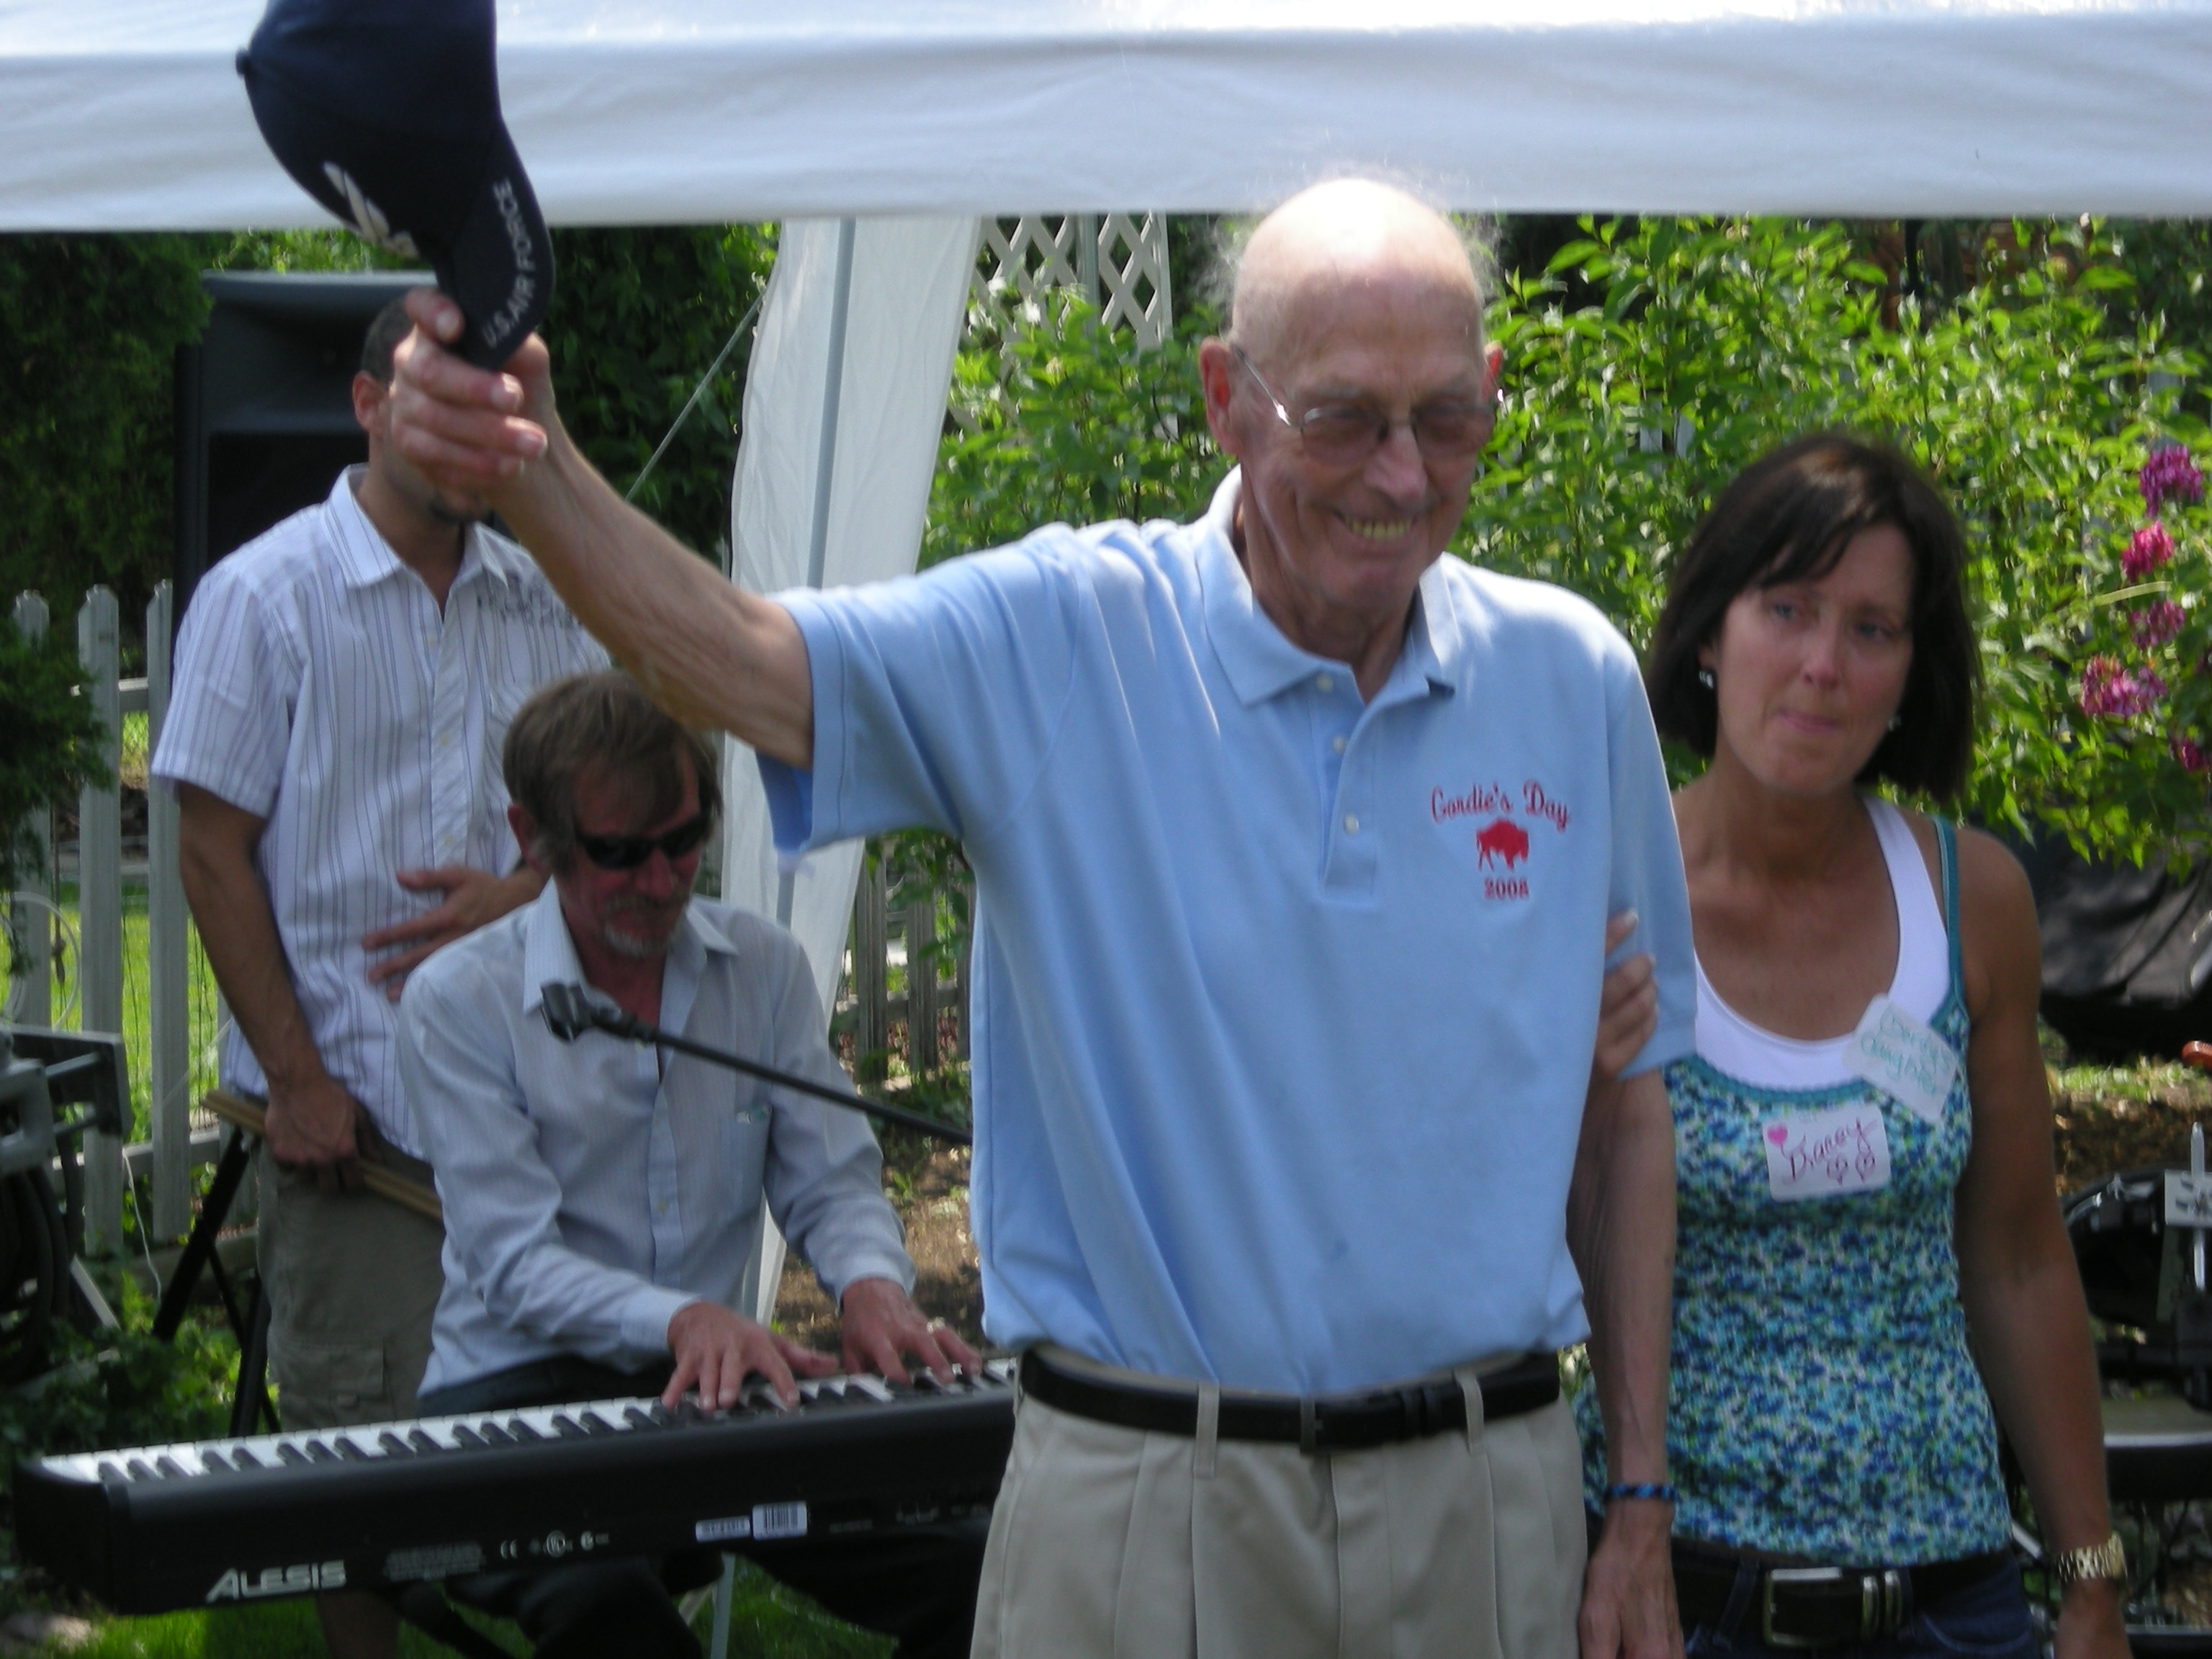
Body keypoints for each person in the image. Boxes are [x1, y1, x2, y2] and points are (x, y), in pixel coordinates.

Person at [387, 177, 1698, 1659]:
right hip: (1152, 1508)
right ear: (1228, 397)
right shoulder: (1063, 640)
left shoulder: (1568, 679)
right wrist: (532, 462)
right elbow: (741, 664)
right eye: (1343, 419)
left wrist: (1638, 1498)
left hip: (1488, 1501)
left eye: (1447, 418)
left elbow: (1620, 1113)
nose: (1400, 477)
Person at [1581, 433, 2130, 1659]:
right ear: (1710, 637)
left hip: (1951, 1602)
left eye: (1873, 630)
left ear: (1909, 680)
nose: (1824, 664)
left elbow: (2023, 1256)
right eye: (1788, 609)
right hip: (1678, 1595)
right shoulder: (1607, 902)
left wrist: (2090, 1575)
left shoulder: (1968, 898)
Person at [151, 296, 607, 1659]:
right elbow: (212, 848)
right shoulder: (265, 595)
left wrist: (526, 891)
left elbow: (613, 831)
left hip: (528, 1136)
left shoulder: (544, 603)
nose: (472, 437)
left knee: (537, 1466)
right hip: (358, 1138)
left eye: (494, 411)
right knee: (362, 1479)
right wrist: (295, 1083)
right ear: (366, 407)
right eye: (435, 400)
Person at [397, 669, 985, 1659]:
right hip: (513, 1395)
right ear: (530, 835)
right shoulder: (460, 1000)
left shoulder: (761, 966)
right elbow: (512, 1263)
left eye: (683, 842)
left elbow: (830, 1178)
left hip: (709, 1393)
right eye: (621, 855)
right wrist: (682, 1318)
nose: (663, 881)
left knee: (979, 1571)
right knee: (606, 1609)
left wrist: (873, 1288)